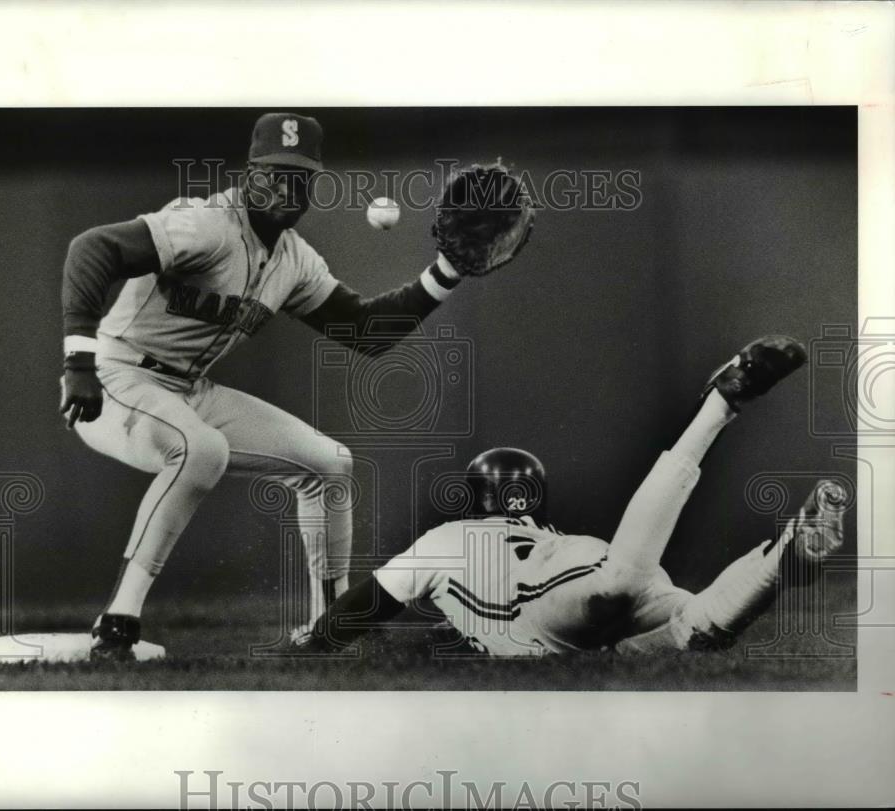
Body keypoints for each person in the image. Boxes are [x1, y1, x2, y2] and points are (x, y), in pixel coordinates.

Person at [60, 112, 476, 660]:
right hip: (116, 376)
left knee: (330, 463)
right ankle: (117, 624)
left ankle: (329, 627)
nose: (284, 186)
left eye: (299, 177)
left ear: (313, 186)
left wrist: (446, 270)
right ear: (249, 174)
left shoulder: (294, 261)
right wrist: (80, 362)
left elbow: (368, 332)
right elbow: (92, 249)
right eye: (273, 173)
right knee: (202, 448)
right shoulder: (206, 224)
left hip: (188, 389)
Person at [293, 335, 848, 656]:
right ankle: (783, 556)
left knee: (627, 592)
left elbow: (368, 604)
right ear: (534, 499)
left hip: (552, 606)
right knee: (694, 627)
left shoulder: (448, 537)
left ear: (475, 497)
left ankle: (718, 408)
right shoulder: (556, 533)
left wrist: (315, 640)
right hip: (593, 565)